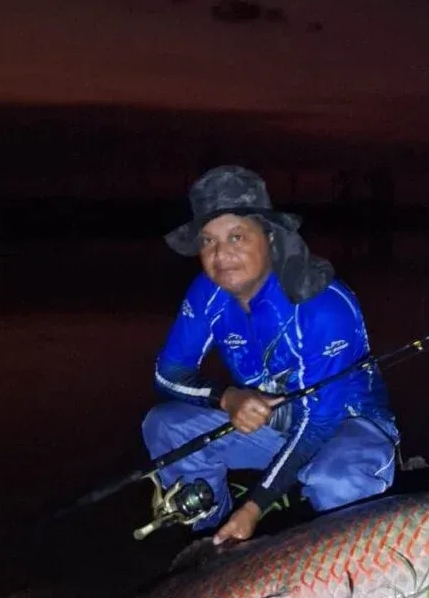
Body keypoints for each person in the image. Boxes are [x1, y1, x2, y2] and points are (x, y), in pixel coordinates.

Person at [142, 165, 399, 546]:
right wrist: (227, 397)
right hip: (273, 427)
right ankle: (213, 542)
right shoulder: (207, 294)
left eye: (235, 237)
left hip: (346, 427)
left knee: (335, 482)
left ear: (270, 237)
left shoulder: (324, 305)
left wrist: (254, 507)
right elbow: (168, 374)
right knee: (165, 426)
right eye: (208, 241)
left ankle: (354, 561)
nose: (220, 254)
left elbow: (319, 423)